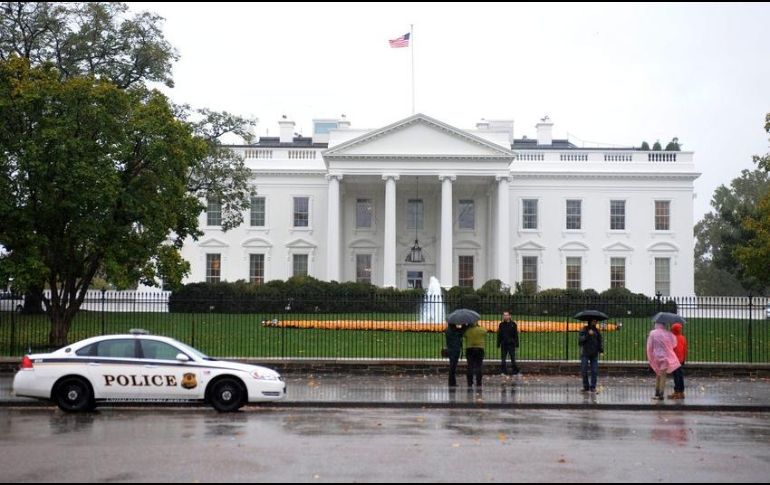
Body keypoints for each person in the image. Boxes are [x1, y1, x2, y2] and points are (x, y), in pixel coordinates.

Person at [646, 321, 681, 400]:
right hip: (665, 357)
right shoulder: (667, 333)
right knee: (663, 375)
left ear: (656, 324)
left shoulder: (652, 333)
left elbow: (649, 346)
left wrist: (650, 355)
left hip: (656, 357)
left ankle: (657, 392)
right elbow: (674, 344)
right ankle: (661, 394)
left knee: (658, 374)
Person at [578, 319, 603, 392]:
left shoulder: (597, 331)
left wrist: (601, 350)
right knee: (584, 370)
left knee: (594, 371)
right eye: (594, 321)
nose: (595, 322)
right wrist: (588, 334)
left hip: (594, 353)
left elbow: (599, 341)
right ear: (590, 321)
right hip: (585, 353)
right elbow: (580, 341)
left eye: (596, 321)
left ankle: (593, 387)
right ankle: (586, 387)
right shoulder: (584, 329)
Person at [463, 321, 488, 388]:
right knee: (479, 366)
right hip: (479, 349)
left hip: (470, 349)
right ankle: (479, 382)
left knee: (470, 366)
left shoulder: (467, 330)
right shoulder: (481, 330)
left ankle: (470, 382)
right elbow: (485, 332)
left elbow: (464, 335)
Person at [497, 311, 520, 376]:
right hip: (504, 344)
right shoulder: (501, 324)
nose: (505, 316)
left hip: (511, 344)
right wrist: (498, 343)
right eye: (504, 315)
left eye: (506, 315)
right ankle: (503, 371)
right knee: (503, 358)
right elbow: (499, 334)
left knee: (513, 358)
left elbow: (515, 335)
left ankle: (515, 371)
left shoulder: (513, 324)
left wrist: (516, 344)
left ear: (510, 316)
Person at [670, 323, 688, 399]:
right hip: (681, 359)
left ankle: (677, 392)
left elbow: (671, 349)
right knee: (680, 375)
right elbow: (685, 349)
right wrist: (684, 358)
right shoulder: (683, 337)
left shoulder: (672, 338)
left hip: (674, 359)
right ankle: (681, 392)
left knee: (676, 376)